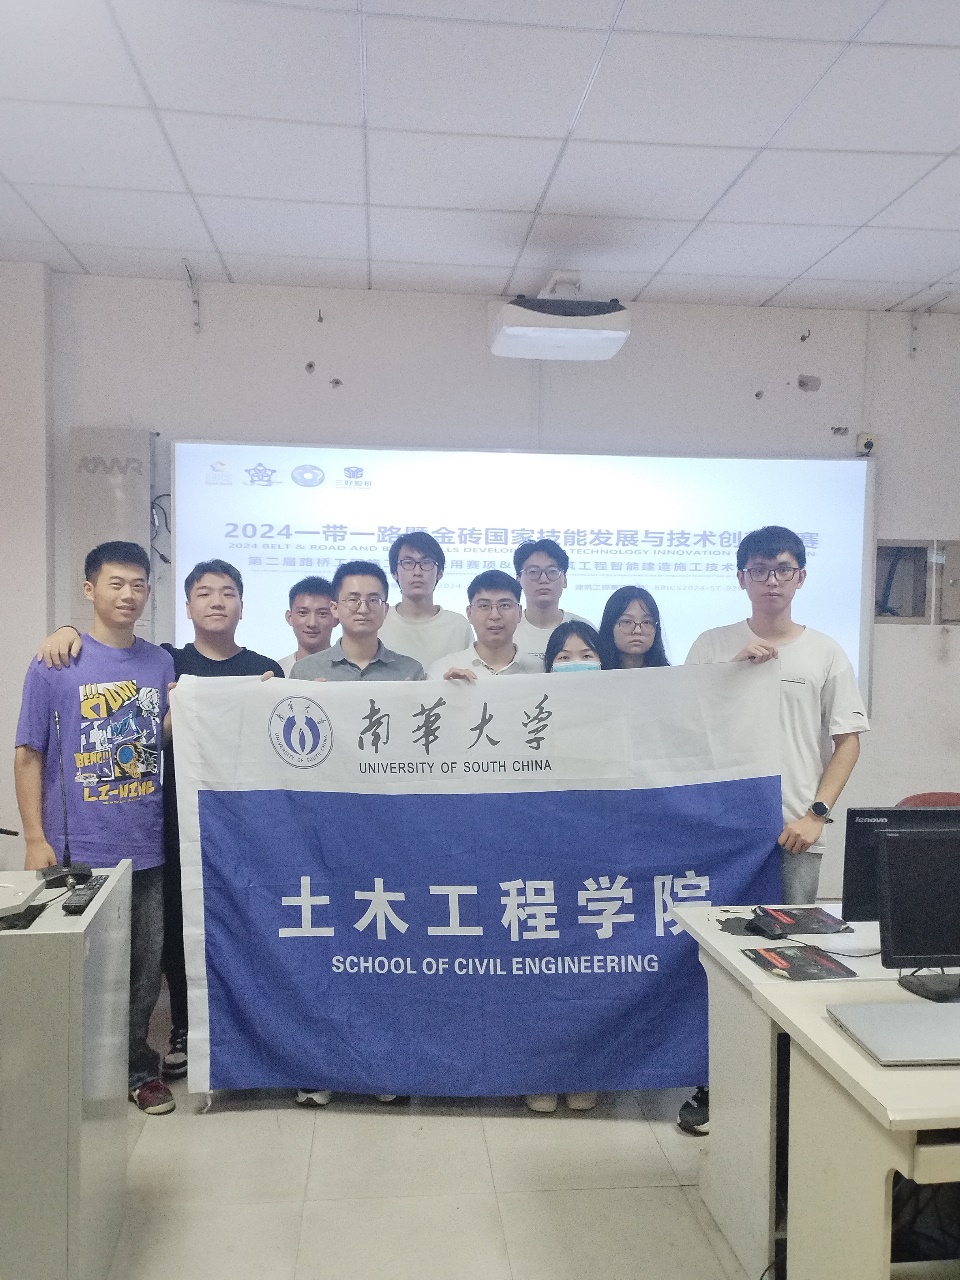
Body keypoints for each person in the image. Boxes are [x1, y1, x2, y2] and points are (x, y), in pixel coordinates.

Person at [35, 559, 284, 1089]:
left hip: (230, 824)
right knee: (157, 939)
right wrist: (65, 630)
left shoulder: (262, 669)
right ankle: (158, 1040)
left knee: (205, 938)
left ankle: (207, 1043)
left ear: (243, 604)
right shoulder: (169, 660)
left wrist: (276, 697)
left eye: (228, 592)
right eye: (204, 592)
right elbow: (149, 719)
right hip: (162, 821)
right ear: (187, 605)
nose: (217, 601)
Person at [676, 525, 868, 1138]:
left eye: (783, 568)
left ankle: (787, 1085)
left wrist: (818, 814)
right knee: (718, 958)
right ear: (741, 578)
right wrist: (730, 674)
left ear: (801, 576)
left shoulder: (825, 652)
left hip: (793, 830)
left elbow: (847, 741)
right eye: (759, 569)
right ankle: (715, 1082)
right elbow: (682, 724)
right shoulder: (712, 644)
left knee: (791, 957)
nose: (771, 580)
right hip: (722, 832)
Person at [15, 542, 177, 1114]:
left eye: (138, 585)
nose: (128, 594)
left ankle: (136, 1069)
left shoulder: (160, 663)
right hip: (75, 848)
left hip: (145, 846)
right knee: (75, 970)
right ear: (89, 590)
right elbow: (29, 754)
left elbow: (152, 738)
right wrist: (35, 838)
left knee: (141, 972)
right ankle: (64, 1076)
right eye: (115, 583)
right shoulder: (56, 662)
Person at [525, 618, 604, 1116]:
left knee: (591, 970)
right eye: (565, 657)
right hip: (540, 854)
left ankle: (586, 1070)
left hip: (598, 860)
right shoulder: (527, 711)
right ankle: (541, 1073)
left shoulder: (621, 712)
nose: (576, 664)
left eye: (587, 655)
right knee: (540, 969)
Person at [291, 561, 425, 683]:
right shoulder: (304, 671)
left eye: (373, 600)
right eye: (353, 600)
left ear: (385, 609)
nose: (363, 609)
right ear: (335, 608)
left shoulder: (410, 672)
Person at [377, 532, 473, 668]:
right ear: (394, 573)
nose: (417, 572)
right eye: (408, 563)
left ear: (440, 572)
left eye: (426, 563)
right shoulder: (379, 622)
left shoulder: (458, 626)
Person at [428, 570, 544, 680]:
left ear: (519, 612)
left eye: (504, 605)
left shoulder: (540, 670)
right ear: (469, 613)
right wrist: (448, 689)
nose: (495, 616)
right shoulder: (441, 670)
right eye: (484, 606)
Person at [512, 540, 592, 662]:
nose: (543, 579)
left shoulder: (585, 629)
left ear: (565, 580)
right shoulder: (508, 630)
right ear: (518, 580)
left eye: (552, 571)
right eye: (533, 572)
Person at [597, 586, 671, 670]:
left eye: (646, 622)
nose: (637, 631)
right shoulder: (594, 672)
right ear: (610, 626)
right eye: (627, 622)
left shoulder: (670, 674)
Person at [280, 575, 337, 675]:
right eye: (303, 613)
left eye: (322, 614)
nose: (312, 623)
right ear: (289, 617)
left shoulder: (350, 671)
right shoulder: (278, 672)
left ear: (336, 618)